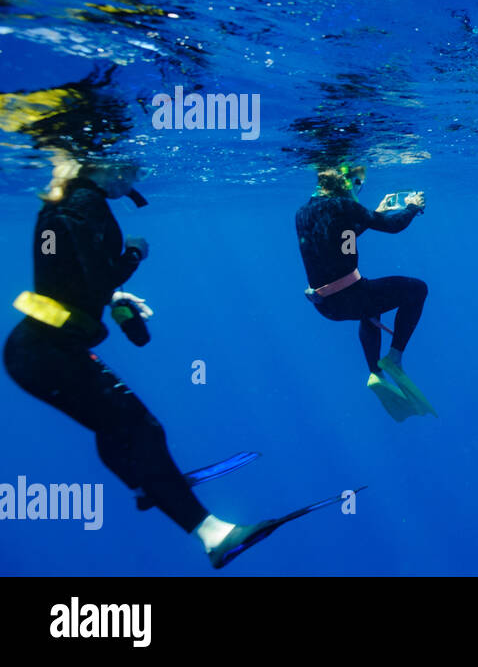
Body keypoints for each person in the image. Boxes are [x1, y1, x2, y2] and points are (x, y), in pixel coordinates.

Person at [3, 156, 289, 568]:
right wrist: (134, 254)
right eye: (134, 169)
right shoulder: (87, 202)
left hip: (39, 349)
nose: (139, 178)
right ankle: (213, 535)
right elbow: (97, 275)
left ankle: (146, 485)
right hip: (48, 353)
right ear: (107, 166)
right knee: (141, 428)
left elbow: (64, 273)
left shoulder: (65, 199)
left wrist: (113, 298)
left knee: (119, 428)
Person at [295, 163, 433, 420]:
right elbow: (394, 226)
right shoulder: (342, 205)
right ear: (349, 183)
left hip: (325, 305)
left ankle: (375, 372)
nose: (360, 189)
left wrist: (373, 214)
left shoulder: (303, 211)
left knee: (371, 304)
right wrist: (413, 206)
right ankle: (394, 358)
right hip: (352, 297)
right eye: (360, 184)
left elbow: (340, 234)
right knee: (417, 289)